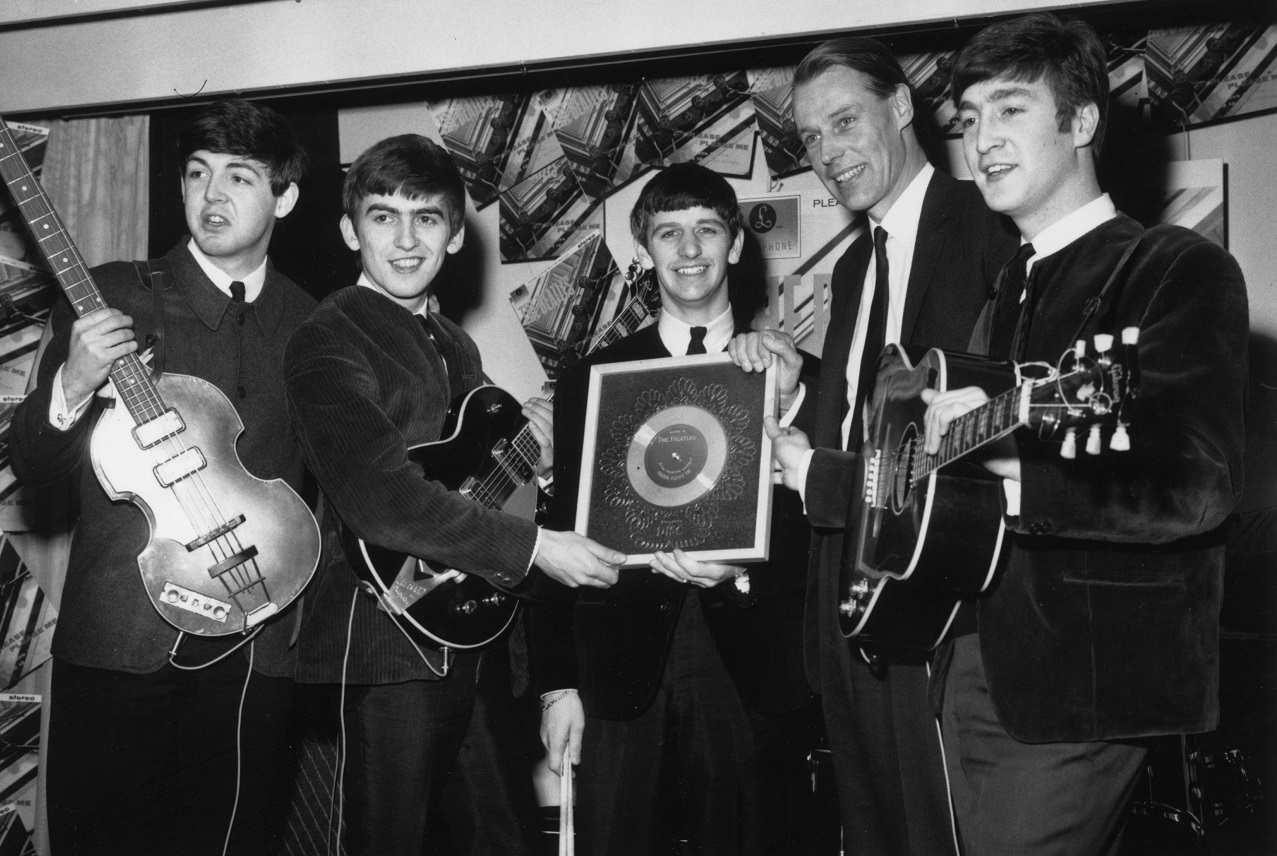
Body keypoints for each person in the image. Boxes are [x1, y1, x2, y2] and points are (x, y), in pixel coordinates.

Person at [920, 13, 1247, 854]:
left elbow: (1196, 484)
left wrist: (1015, 471)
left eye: (1009, 111)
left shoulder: (1173, 266)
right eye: (969, 120)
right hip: (972, 668)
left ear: (1082, 122)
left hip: (1089, 682)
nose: (981, 140)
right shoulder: (1005, 294)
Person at [282, 134, 624, 856]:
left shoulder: (451, 342)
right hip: (383, 644)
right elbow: (379, 498)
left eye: (427, 218)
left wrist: (540, 463)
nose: (406, 240)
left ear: (456, 234)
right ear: (350, 230)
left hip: (467, 633)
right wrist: (534, 546)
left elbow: (478, 487)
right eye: (382, 217)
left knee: (502, 837)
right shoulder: (328, 335)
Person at [730, 37, 1018, 855]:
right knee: (874, 826)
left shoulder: (987, 227)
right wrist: (806, 376)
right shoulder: (857, 264)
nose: (826, 153)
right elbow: (872, 402)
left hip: (931, 599)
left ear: (901, 108)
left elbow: (976, 414)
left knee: (936, 830)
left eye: (844, 122)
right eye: (811, 139)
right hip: (843, 593)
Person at [8, 99, 315, 854]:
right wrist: (73, 384)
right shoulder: (113, 290)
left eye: (239, 177)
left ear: (285, 195)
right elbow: (36, 464)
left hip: (255, 649)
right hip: (119, 648)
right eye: (196, 174)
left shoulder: (317, 324)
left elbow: (337, 487)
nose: (212, 197)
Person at [528, 162, 815, 856]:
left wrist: (743, 568)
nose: (688, 252)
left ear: (736, 246)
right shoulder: (589, 381)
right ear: (644, 250)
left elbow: (820, 533)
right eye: (668, 233)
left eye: (707, 230)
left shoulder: (794, 372)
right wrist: (555, 686)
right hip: (618, 671)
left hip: (745, 666)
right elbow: (554, 531)